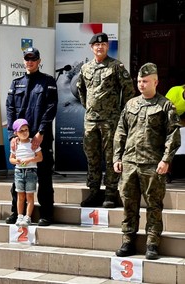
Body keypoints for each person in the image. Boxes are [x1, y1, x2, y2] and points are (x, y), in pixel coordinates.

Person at [114, 63, 181, 260]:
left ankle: (152, 243)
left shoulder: (166, 105)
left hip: (153, 165)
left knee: (153, 205)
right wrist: (117, 157)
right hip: (130, 164)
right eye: (139, 81)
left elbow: (173, 135)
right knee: (128, 203)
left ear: (155, 82)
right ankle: (128, 240)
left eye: (145, 81)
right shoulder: (131, 104)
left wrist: (166, 160)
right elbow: (121, 131)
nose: (141, 85)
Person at [76, 32, 136, 208]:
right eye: (96, 45)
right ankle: (94, 192)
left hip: (111, 121)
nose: (100, 47)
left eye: (103, 44)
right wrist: (90, 109)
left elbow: (129, 90)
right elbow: (81, 90)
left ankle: (110, 193)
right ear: (91, 47)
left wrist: (124, 113)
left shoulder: (116, 66)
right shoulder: (85, 68)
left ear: (107, 47)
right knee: (92, 158)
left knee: (112, 157)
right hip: (91, 121)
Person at [6, 47, 58, 226]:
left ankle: (46, 214)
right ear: (23, 61)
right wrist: (13, 135)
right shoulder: (16, 83)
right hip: (20, 139)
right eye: (27, 59)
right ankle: (16, 212)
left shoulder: (48, 81)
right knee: (19, 175)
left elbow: (51, 107)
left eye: (33, 59)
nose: (30, 62)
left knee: (44, 176)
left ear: (39, 60)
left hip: (39, 138)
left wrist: (41, 132)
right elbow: (10, 109)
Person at [9, 118, 43, 226]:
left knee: (30, 195)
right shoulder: (15, 144)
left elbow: (40, 157)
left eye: (26, 130)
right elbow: (11, 159)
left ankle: (28, 217)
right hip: (19, 171)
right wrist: (16, 161)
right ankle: (19, 216)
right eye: (21, 131)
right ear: (15, 133)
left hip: (31, 172)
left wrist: (29, 160)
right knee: (20, 195)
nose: (25, 133)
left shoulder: (33, 142)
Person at [165, 85, 185, 182]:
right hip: (163, 119)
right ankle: (166, 172)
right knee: (167, 145)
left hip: (176, 122)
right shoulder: (175, 91)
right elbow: (165, 108)